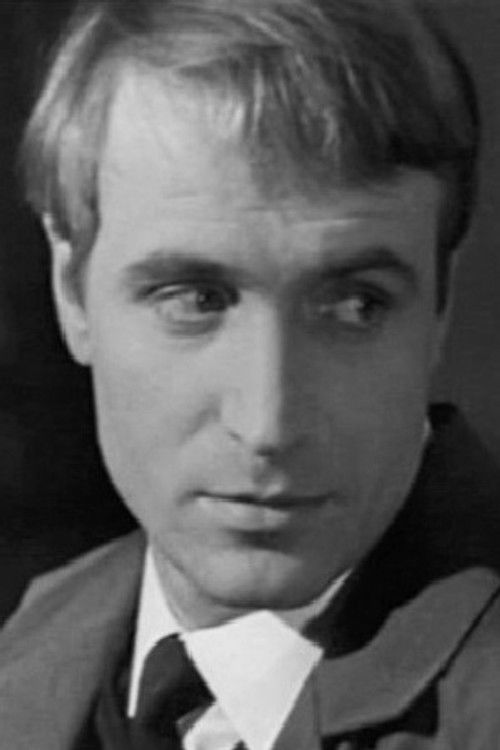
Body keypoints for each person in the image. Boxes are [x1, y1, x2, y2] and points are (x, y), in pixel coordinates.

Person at [2, 0, 500, 747]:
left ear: (441, 304)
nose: (268, 424)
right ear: (71, 289)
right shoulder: (28, 650)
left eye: (356, 306)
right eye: (195, 301)